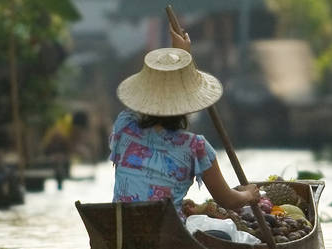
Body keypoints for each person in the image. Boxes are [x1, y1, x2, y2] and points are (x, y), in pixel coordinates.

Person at [110, 28, 260, 220]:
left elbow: (145, 102)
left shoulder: (124, 128)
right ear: (187, 103)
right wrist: (249, 195)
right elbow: (228, 200)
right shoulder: (196, 146)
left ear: (145, 100)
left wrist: (182, 57)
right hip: (168, 237)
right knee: (226, 233)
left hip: (119, 231)